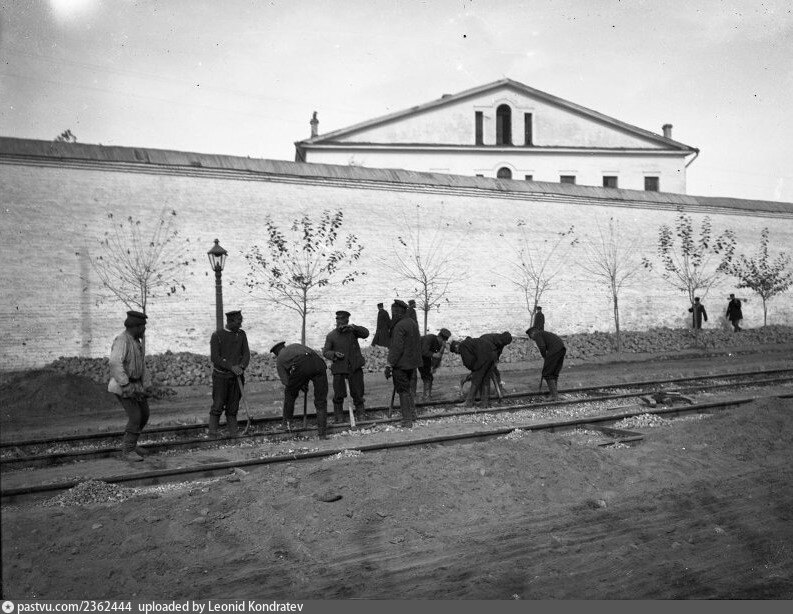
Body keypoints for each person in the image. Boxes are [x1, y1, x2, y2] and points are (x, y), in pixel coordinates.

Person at [107, 310, 152, 462]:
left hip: (136, 385)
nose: (144, 330)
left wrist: (147, 385)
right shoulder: (122, 340)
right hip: (123, 385)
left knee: (144, 414)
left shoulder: (135, 342)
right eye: (143, 327)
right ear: (136, 327)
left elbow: (141, 366)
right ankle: (128, 450)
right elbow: (114, 363)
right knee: (136, 416)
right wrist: (125, 384)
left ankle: (132, 445)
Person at [270, 341, 329, 439]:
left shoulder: (280, 358)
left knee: (289, 394)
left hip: (303, 365)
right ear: (284, 346)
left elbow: (286, 382)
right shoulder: (296, 346)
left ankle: (286, 424)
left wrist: (298, 384)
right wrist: (302, 382)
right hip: (319, 363)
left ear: (276, 353)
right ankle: (322, 433)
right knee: (321, 400)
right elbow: (310, 360)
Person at [209, 310, 250, 438]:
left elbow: (246, 354)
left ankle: (233, 434)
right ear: (230, 322)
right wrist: (231, 367)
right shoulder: (217, 335)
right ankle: (212, 434)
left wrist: (241, 367)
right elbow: (215, 357)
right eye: (238, 322)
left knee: (233, 407)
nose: (240, 325)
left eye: (241, 321)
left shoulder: (241, 334)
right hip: (221, 377)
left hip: (237, 377)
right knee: (218, 405)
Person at [323, 310, 369, 423]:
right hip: (339, 369)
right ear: (336, 321)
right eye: (339, 320)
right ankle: (339, 417)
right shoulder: (331, 335)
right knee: (339, 394)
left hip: (355, 367)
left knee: (358, 393)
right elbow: (326, 352)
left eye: (344, 321)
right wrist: (334, 354)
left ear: (347, 321)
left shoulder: (353, 332)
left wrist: (354, 327)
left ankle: (361, 414)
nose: (341, 323)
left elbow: (366, 333)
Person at [385, 299, 422, 427]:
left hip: (401, 365)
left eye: (393, 312)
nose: (392, 315)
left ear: (398, 312)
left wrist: (389, 364)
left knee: (403, 391)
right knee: (409, 390)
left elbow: (396, 348)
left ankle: (407, 420)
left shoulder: (399, 326)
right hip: (412, 364)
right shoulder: (412, 323)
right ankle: (413, 414)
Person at [449, 335, 499, 408]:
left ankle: (469, 402)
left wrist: (473, 373)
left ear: (456, 347)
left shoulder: (462, 346)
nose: (458, 353)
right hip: (492, 354)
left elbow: (469, 362)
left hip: (484, 356)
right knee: (485, 380)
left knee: (476, 380)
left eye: (456, 352)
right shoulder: (469, 343)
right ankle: (485, 403)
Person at [526, 327, 566, 401]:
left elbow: (542, 346)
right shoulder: (544, 333)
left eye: (531, 337)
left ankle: (554, 396)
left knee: (547, 373)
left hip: (554, 350)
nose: (532, 339)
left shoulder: (537, 334)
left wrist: (545, 356)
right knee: (554, 373)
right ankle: (554, 394)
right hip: (561, 349)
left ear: (532, 333)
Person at [418, 328, 451, 400]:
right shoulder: (429, 338)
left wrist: (433, 366)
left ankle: (427, 396)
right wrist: (434, 354)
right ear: (439, 337)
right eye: (443, 341)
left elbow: (438, 357)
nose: (443, 343)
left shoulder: (440, 344)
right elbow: (423, 351)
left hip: (424, 357)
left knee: (429, 376)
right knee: (425, 376)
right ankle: (425, 397)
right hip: (415, 354)